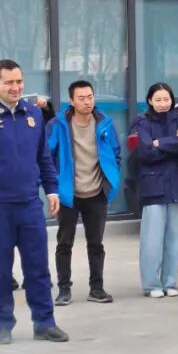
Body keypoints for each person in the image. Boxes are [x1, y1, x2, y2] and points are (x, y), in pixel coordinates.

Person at [0, 59, 65, 344]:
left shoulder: (33, 113)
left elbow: (43, 157)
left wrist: (52, 189)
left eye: (19, 81)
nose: (15, 87)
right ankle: (3, 324)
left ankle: (44, 323)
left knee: (38, 268)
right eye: (9, 82)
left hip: (30, 204)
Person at [46, 80, 121, 306]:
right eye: (81, 98)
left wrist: (111, 178)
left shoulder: (104, 122)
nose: (87, 102)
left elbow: (116, 152)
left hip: (96, 192)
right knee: (64, 243)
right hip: (68, 194)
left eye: (90, 97)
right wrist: (53, 186)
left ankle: (96, 288)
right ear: (71, 101)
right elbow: (46, 156)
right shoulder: (58, 124)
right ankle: (64, 289)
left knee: (96, 243)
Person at [133, 83, 178, 298]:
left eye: (166, 99)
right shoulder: (142, 123)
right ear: (150, 101)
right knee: (152, 239)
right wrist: (173, 144)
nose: (163, 104)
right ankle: (151, 284)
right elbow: (145, 151)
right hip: (154, 185)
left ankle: (170, 282)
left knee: (176, 238)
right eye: (158, 100)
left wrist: (159, 143)